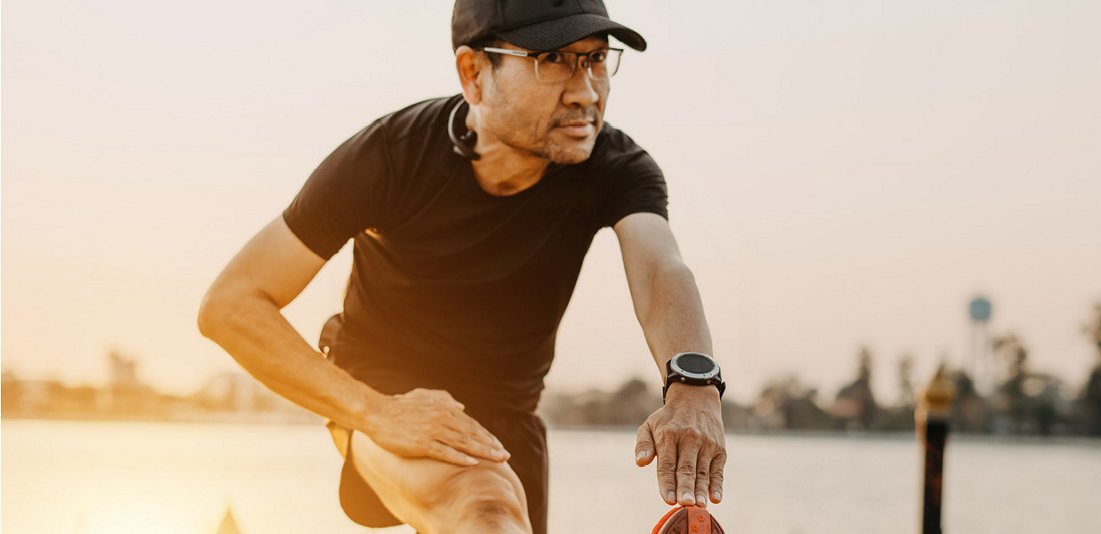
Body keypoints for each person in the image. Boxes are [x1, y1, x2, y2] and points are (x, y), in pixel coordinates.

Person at [197, 1, 727, 532]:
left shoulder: (615, 166)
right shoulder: (390, 156)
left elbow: (662, 270)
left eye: (595, 61)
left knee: (500, 516)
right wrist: (375, 412)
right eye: (554, 60)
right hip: (385, 390)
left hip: (511, 417)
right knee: (484, 508)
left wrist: (692, 384)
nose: (586, 92)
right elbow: (231, 305)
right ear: (473, 73)